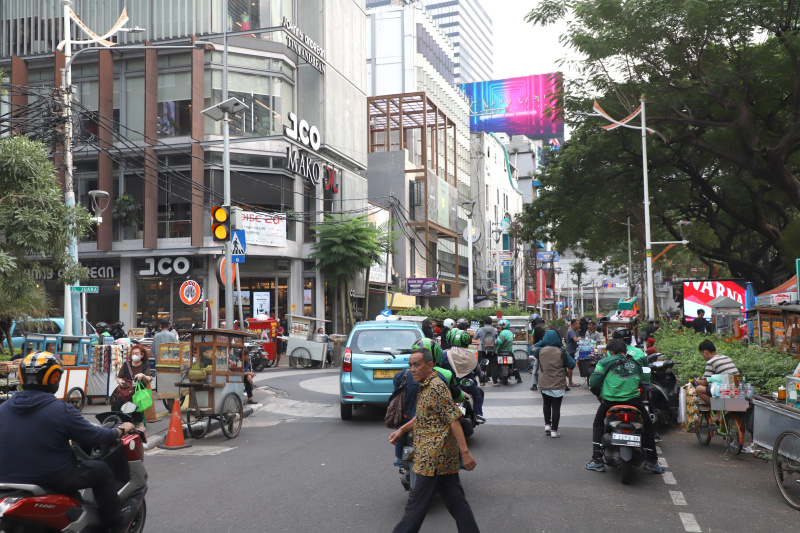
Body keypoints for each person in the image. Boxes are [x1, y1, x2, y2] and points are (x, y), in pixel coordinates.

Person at [0, 351, 135, 530]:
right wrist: (122, 429)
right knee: (101, 470)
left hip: (6, 477)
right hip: (53, 476)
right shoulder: (60, 409)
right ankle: (114, 524)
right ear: (54, 378)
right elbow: (95, 437)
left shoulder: (4, 407)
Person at [389, 347, 479, 533]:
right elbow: (422, 415)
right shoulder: (425, 385)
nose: (412, 369)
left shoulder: (436, 387)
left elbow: (454, 419)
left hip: (433, 458)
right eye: (410, 365)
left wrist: (465, 453)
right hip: (441, 458)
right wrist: (402, 430)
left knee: (415, 507)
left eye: (417, 365)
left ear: (429, 365)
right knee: (457, 504)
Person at [585, 339, 665, 474]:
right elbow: (646, 376)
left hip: (610, 402)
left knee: (598, 425)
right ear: (626, 351)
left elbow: (594, 382)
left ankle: (597, 460)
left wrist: (598, 394)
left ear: (610, 351)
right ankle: (651, 461)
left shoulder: (604, 362)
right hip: (634, 402)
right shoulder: (636, 362)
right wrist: (644, 387)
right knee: (648, 426)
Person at [535, 330, 575, 438]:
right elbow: (572, 365)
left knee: (546, 404)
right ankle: (554, 430)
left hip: (544, 382)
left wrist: (542, 342)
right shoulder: (561, 351)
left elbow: (534, 346)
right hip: (558, 383)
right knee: (556, 407)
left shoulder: (540, 350)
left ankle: (547, 424)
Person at [441, 329, 486, 423]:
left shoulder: (444, 354)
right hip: (467, 386)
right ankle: (478, 415)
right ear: (467, 341)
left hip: (449, 387)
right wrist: (482, 376)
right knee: (477, 394)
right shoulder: (470, 355)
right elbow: (478, 371)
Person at [112, 344, 152, 433]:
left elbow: (148, 379)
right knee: (117, 402)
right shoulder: (126, 364)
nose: (135, 355)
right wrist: (121, 383)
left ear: (142, 355)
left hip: (138, 391)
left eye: (137, 353)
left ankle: (140, 424)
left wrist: (142, 375)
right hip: (126, 391)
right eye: (133, 353)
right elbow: (119, 377)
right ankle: (118, 421)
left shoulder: (145, 366)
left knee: (134, 403)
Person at [694, 339, 739, 404]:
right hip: (737, 387)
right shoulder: (726, 357)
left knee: (699, 389)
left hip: (727, 390)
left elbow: (704, 383)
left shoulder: (710, 362)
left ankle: (719, 410)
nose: (703, 357)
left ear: (705, 352)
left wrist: (698, 381)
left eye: (702, 354)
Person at [495, 319, 522, 385]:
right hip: (510, 352)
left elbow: (499, 342)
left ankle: (488, 377)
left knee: (494, 364)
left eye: (500, 326)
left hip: (501, 351)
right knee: (515, 365)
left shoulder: (502, 333)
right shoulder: (510, 332)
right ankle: (519, 378)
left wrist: (496, 341)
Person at [565, 319, 581, 389]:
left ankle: (570, 382)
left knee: (572, 366)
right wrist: (584, 341)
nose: (579, 325)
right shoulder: (571, 331)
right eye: (578, 323)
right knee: (570, 366)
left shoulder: (575, 331)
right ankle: (570, 382)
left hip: (574, 350)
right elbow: (575, 339)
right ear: (574, 324)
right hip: (570, 351)